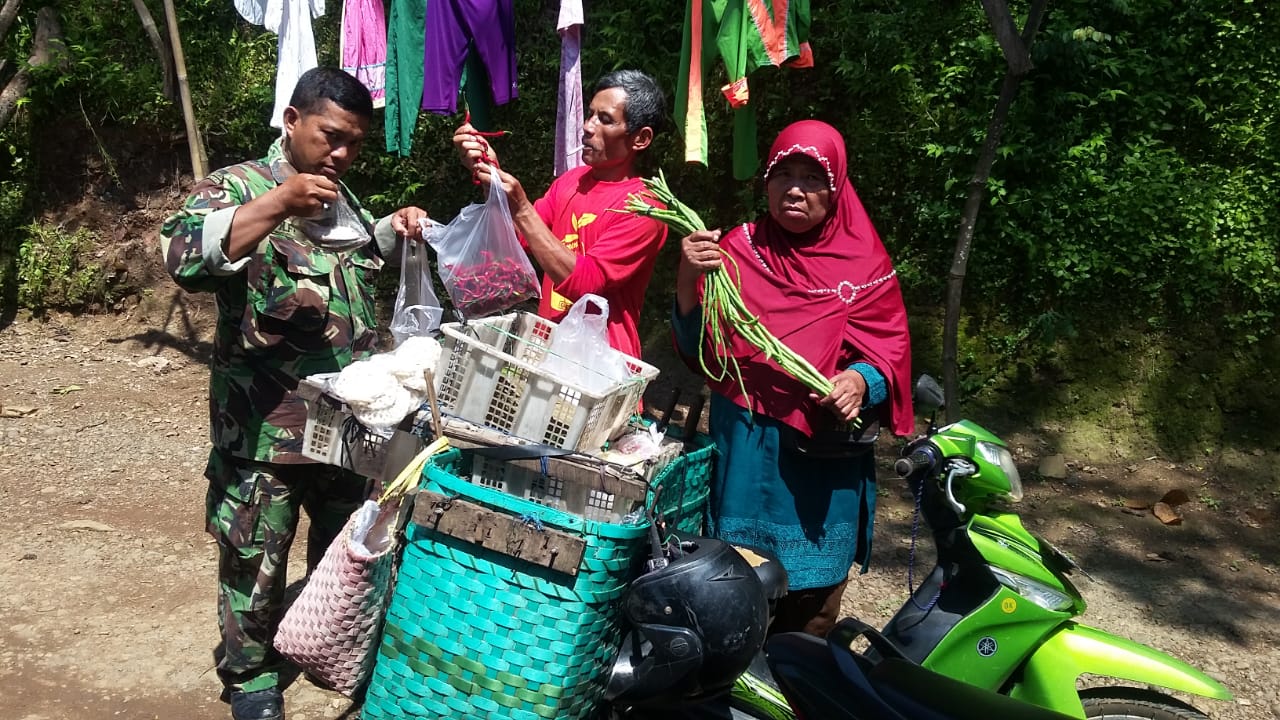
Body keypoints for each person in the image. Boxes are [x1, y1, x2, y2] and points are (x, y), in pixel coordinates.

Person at [159, 67, 429, 720]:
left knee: (344, 554)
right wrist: (278, 203)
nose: (341, 154)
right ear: (292, 121)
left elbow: (353, 265)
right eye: (331, 136)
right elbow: (180, 255)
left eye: (354, 144)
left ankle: (327, 650)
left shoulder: (343, 196)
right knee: (255, 564)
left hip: (344, 430)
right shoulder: (239, 186)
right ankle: (251, 682)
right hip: (265, 432)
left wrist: (392, 229)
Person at [672, 119, 913, 638]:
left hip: (819, 470)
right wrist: (688, 276)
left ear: (837, 186)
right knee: (731, 601)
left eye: (813, 178)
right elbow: (703, 352)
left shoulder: (866, 265)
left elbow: (889, 353)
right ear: (766, 182)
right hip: (744, 453)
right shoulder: (739, 249)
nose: (795, 190)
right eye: (784, 175)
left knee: (813, 614)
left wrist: (857, 382)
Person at [451, 69, 668, 359]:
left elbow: (587, 283)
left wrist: (521, 205)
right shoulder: (572, 181)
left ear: (640, 139)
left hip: (601, 367)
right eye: (590, 114)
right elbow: (520, 239)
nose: (588, 127)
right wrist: (491, 172)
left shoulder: (645, 206)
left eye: (605, 120)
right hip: (550, 353)